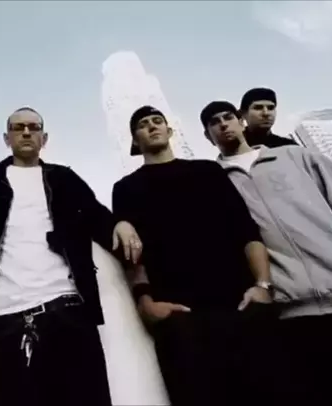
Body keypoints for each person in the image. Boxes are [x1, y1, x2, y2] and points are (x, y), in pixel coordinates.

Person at [0, 106, 142, 406]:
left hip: (68, 311)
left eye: (33, 127)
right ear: (7, 138)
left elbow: (94, 214)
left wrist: (119, 224)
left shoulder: (64, 179)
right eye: (18, 128)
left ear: (44, 137)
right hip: (3, 321)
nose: (26, 132)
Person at [201, 100, 332, 406]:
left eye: (228, 117)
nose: (223, 124)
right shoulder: (211, 180)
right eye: (213, 122)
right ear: (208, 135)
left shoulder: (295, 156)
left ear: (241, 122)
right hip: (295, 312)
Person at [113, 105, 276, 406]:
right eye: (143, 125)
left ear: (169, 130)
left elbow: (246, 230)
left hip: (240, 305)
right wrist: (146, 302)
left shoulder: (208, 171)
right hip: (179, 318)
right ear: (135, 140)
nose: (152, 126)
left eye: (157, 121)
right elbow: (132, 256)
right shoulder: (125, 188)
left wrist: (263, 286)